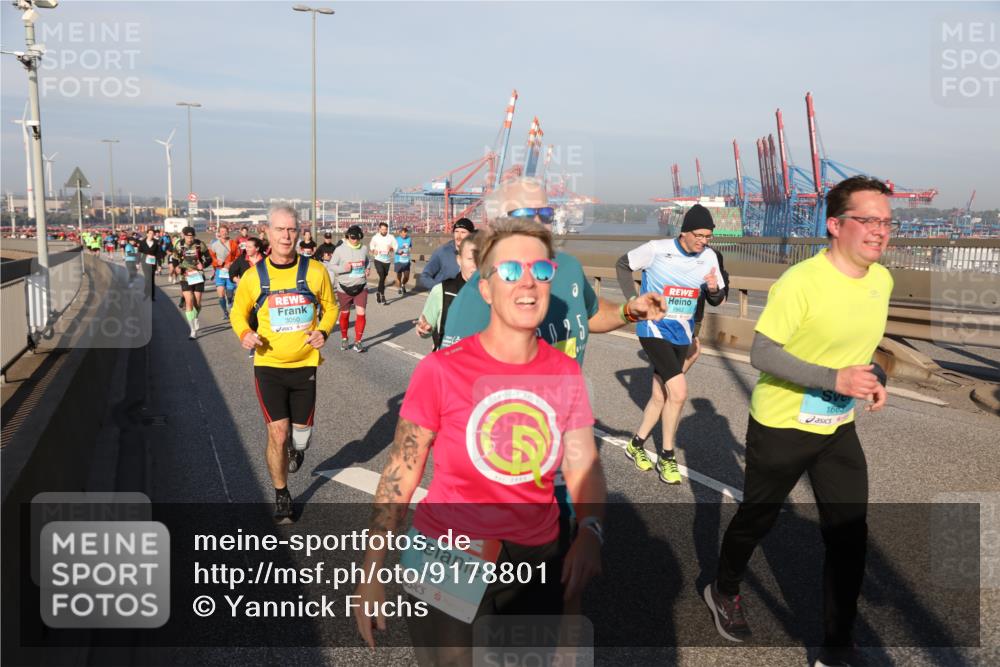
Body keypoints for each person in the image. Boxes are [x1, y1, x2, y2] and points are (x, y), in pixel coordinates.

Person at [353, 219, 606, 660]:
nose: (527, 282)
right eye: (509, 271)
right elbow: (402, 468)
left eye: (540, 271)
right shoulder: (441, 370)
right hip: (447, 555)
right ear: (485, 289)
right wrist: (372, 569)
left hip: (534, 556)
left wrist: (589, 531)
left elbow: (583, 465)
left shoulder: (564, 373)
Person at [703, 176, 894, 667]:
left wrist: (874, 376)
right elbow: (762, 353)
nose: (879, 231)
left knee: (849, 533)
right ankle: (723, 589)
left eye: (886, 221)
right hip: (782, 424)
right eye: (867, 220)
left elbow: (863, 347)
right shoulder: (802, 282)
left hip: (835, 428)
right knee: (757, 519)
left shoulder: (882, 280)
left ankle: (836, 644)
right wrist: (834, 376)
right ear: (835, 224)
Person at [442, 178, 666, 366]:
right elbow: (453, 380)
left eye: (546, 214)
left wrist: (629, 311)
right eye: (526, 215)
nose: (540, 223)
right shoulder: (481, 289)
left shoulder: (568, 267)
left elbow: (588, 314)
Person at [229, 204, 338, 524]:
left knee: (300, 434)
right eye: (280, 229)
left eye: (291, 229)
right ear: (267, 233)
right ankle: (281, 493)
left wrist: (323, 331)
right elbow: (238, 312)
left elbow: (330, 308)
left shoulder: (315, 271)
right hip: (269, 366)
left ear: (299, 232)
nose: (286, 236)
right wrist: (245, 333)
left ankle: (298, 446)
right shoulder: (254, 276)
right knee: (277, 433)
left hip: (305, 367)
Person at [614, 204, 726, 484]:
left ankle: (636, 445)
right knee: (678, 392)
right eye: (699, 235)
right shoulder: (657, 248)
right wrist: (633, 299)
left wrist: (713, 289)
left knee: (660, 395)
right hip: (653, 327)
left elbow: (718, 299)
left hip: (682, 331)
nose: (703, 241)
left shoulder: (710, 257)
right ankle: (667, 456)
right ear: (684, 232)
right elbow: (622, 264)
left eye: (708, 236)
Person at [416, 233, 476, 350]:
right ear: (459, 260)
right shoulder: (441, 291)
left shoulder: (493, 294)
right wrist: (424, 330)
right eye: (470, 259)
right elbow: (426, 327)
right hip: (447, 363)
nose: (475, 265)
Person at [683, 246, 730, 373]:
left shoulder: (713, 257)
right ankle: (670, 384)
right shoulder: (672, 255)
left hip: (694, 319)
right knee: (689, 351)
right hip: (674, 315)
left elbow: (719, 301)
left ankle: (669, 383)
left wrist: (716, 286)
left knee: (691, 352)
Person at [328, 224, 370, 352]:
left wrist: (368, 269)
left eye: (357, 238)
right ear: (347, 236)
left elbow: (367, 261)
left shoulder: (364, 248)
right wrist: (343, 269)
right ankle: (344, 338)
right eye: (352, 238)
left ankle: (358, 342)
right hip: (344, 288)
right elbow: (331, 266)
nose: (355, 240)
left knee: (361, 313)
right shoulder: (340, 250)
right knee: (345, 314)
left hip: (361, 286)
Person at [172, 226, 211, 339]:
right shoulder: (179, 245)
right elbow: (174, 259)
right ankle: (192, 330)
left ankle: (196, 317)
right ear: (183, 235)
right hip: (185, 275)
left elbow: (209, 259)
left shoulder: (200, 245)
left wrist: (203, 265)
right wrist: (177, 268)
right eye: (188, 236)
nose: (190, 239)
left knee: (197, 304)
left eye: (192, 236)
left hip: (198, 275)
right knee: (189, 302)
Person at [418, 217, 475, 289]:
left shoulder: (477, 253)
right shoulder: (442, 252)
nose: (459, 236)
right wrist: (439, 290)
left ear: (471, 235)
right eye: (456, 231)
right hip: (444, 298)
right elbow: (425, 276)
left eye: (463, 232)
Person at [209, 226, 240, 319]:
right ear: (219, 233)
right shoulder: (215, 244)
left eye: (226, 231)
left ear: (228, 232)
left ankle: (230, 301)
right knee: (221, 293)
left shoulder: (233, 243)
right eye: (222, 231)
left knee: (230, 293)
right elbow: (211, 257)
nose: (224, 233)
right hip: (220, 271)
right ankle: (225, 312)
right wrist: (216, 262)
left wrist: (231, 263)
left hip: (230, 271)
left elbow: (238, 256)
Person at [368, 222, 397, 304]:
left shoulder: (391, 237)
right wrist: (374, 250)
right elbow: (371, 245)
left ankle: (378, 292)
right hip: (378, 260)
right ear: (379, 229)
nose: (384, 231)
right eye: (383, 229)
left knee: (383, 278)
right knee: (381, 275)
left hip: (387, 261)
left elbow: (395, 246)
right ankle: (382, 295)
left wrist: (392, 248)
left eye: (386, 229)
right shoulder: (375, 237)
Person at [137, 228, 164, 301]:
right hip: (145, 261)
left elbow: (159, 254)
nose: (151, 235)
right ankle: (146, 293)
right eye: (150, 233)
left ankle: (152, 296)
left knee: (152, 278)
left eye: (153, 234)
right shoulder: (142, 242)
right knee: (147, 278)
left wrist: (160, 265)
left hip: (153, 261)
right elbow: (139, 253)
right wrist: (137, 263)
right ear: (147, 234)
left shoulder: (156, 242)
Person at [393, 226, 413, 295]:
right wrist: (398, 252)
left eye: (406, 233)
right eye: (403, 233)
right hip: (398, 260)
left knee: (407, 277)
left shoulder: (409, 239)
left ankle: (403, 284)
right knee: (399, 276)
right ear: (400, 233)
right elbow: (393, 249)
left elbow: (410, 246)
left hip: (406, 260)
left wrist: (409, 250)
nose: (405, 234)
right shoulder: (396, 239)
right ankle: (399, 288)